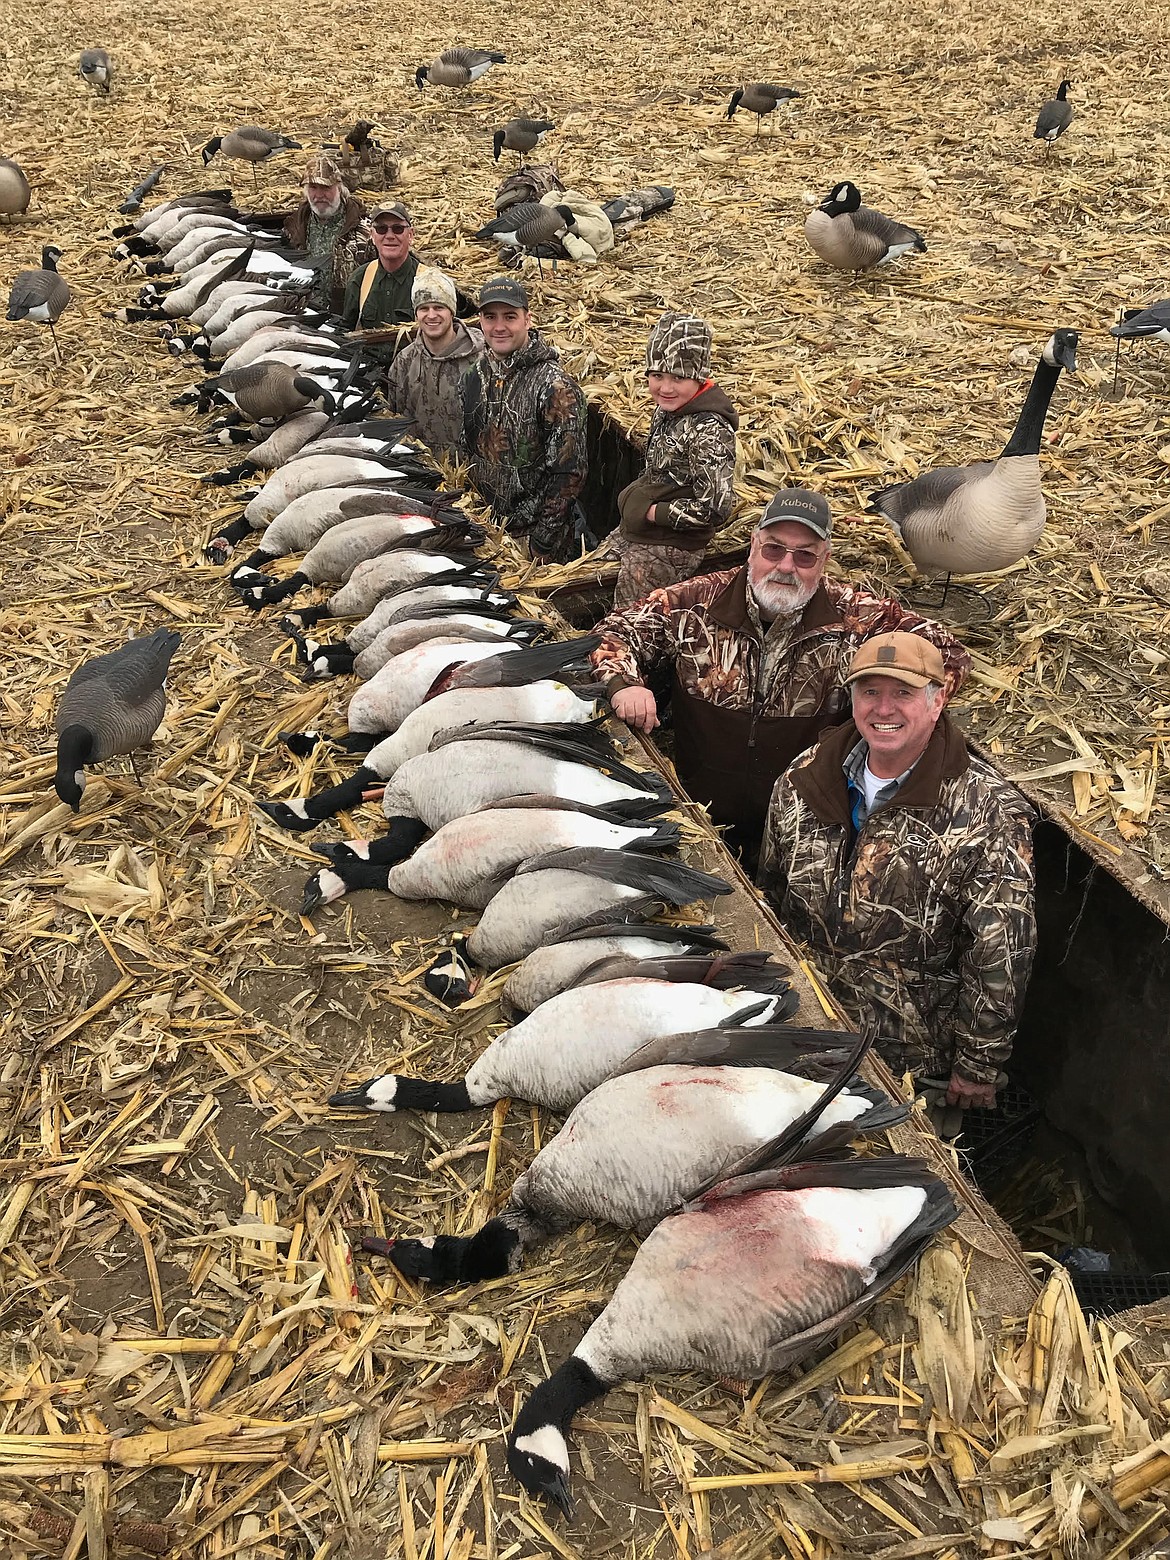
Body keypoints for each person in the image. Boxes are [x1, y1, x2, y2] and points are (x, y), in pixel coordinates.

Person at [590, 487, 970, 857]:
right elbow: (612, 633)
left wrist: (903, 715)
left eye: (805, 556)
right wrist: (625, 684)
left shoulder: (855, 617)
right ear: (754, 545)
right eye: (774, 549)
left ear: (825, 559)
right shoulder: (696, 602)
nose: (786, 567)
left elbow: (949, 653)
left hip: (803, 826)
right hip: (700, 813)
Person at [757, 631, 1037, 1122]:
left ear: (938, 699)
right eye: (870, 692)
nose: (883, 709)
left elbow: (1001, 951)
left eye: (903, 693)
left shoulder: (987, 810)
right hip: (800, 1024)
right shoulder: (804, 777)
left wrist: (977, 1063)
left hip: (906, 1058)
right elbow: (770, 894)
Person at [608, 311, 739, 610]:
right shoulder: (669, 409)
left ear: (699, 376)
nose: (665, 388)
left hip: (675, 543)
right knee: (590, 567)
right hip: (643, 527)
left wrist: (654, 512)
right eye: (657, 376)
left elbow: (715, 508)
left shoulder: (710, 430)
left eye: (678, 377)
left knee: (631, 614)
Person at [462, 276, 589, 563]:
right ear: (480, 321)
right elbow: (467, 447)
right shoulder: (474, 375)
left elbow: (570, 473)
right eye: (490, 317)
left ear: (527, 319)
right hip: (484, 526)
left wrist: (542, 542)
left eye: (510, 316)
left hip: (532, 540)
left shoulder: (556, 387)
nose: (499, 326)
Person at [385, 267, 485, 455]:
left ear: (452, 312)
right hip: (418, 470)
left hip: (469, 473)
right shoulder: (403, 363)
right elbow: (393, 418)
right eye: (424, 308)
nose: (431, 315)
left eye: (439, 307)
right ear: (416, 314)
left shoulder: (481, 360)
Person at [283, 153, 369, 313]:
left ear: (339, 187)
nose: (319, 195)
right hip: (305, 312)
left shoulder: (364, 228)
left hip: (349, 315)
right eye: (313, 188)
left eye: (326, 188)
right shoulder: (294, 226)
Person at [341, 200, 419, 347]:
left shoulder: (427, 280)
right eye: (381, 229)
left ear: (410, 234)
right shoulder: (359, 279)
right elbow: (346, 333)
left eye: (398, 229)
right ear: (372, 235)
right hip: (366, 366)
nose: (389, 236)